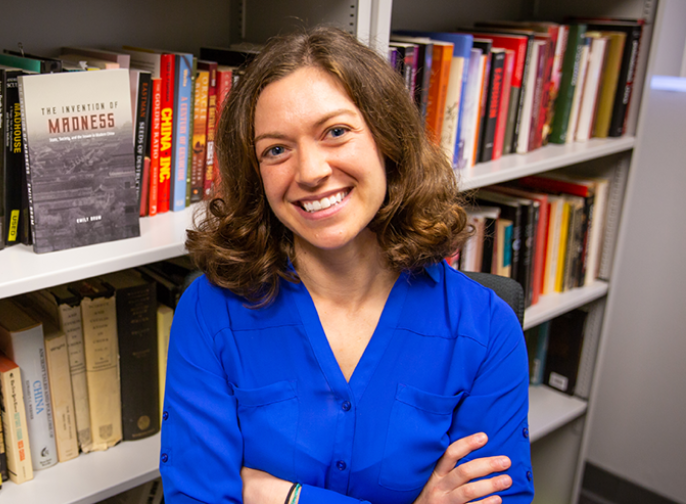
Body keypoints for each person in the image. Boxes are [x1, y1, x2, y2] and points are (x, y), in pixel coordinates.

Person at [160, 27, 533, 504]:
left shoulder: (485, 329)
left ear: (387, 139)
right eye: (276, 149)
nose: (311, 171)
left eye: (335, 132)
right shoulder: (210, 312)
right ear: (256, 175)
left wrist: (281, 496)